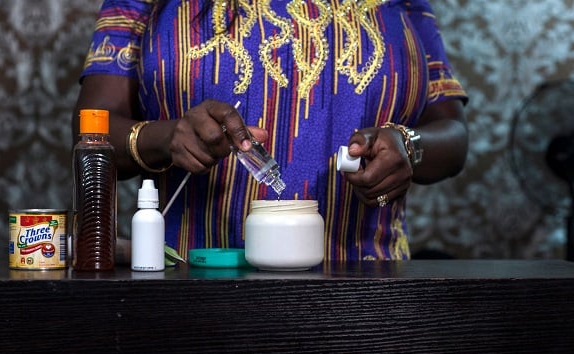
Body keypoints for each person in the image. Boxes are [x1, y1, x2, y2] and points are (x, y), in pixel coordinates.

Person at [73, 0, 468, 261]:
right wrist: (167, 137)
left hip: (367, 290)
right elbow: (92, 127)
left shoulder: (404, 5)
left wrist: (408, 144)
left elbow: (453, 134)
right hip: (193, 287)